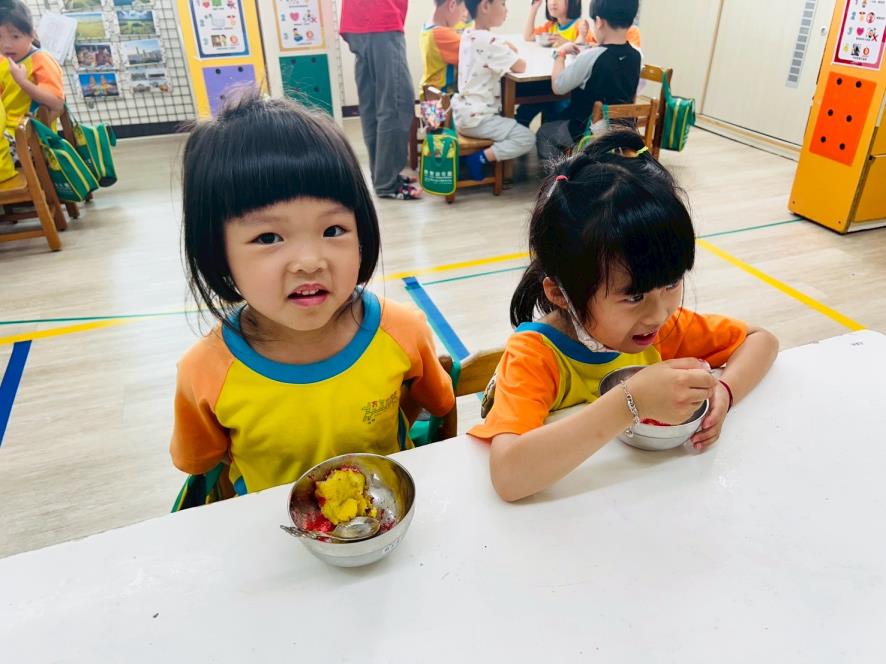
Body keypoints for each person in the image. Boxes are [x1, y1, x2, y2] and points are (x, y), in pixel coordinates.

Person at [469, 130, 779, 501]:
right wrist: (631, 402)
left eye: (671, 283)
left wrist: (725, 392)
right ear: (560, 294)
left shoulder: (665, 329)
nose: (658, 313)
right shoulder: (535, 357)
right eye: (633, 296)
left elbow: (761, 340)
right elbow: (509, 477)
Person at [171, 91, 455, 496]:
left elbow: (439, 405)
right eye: (268, 237)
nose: (309, 262)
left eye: (333, 230)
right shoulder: (205, 370)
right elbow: (200, 464)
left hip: (383, 516)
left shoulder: (402, 330)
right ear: (217, 250)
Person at [536, 0, 641, 161]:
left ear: (599, 22)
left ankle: (565, 171)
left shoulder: (591, 56)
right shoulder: (636, 56)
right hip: (622, 132)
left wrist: (560, 54)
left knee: (544, 132)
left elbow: (558, 87)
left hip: (587, 132)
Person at [340, 0, 421, 200]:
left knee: (373, 105)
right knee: (397, 103)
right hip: (381, 16)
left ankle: (382, 176)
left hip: (356, 21)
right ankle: (387, 183)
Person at [451, 0, 535, 181]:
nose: (506, 10)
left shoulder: (468, 34)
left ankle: (476, 157)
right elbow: (520, 66)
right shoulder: (491, 41)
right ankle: (479, 158)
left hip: (463, 114)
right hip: (479, 119)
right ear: (485, 6)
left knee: (511, 123)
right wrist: (506, 47)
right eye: (503, 4)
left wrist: (503, 44)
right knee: (526, 138)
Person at [0, 0, 64, 178]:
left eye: (15, 37)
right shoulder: (3, 61)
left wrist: (23, 82)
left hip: (32, 139)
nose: (6, 45)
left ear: (31, 35)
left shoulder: (41, 60)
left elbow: (57, 103)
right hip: (7, 133)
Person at [420, 0, 467, 94]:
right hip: (443, 97)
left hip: (430, 95)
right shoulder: (441, 34)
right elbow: (474, 52)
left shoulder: (428, 28)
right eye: (463, 10)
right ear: (452, 5)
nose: (464, 15)